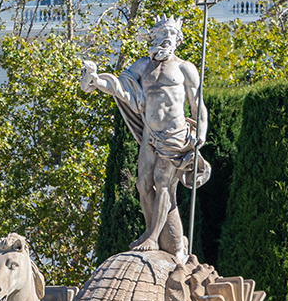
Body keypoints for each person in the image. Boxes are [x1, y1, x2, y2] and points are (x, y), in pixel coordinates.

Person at [80, 17, 209, 256]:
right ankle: (152, 230)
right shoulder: (142, 66)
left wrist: (200, 135)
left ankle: (152, 237)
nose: (167, 38)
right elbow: (120, 87)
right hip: (150, 133)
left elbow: (197, 105)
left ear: (178, 40)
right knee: (142, 184)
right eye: (162, 33)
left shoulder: (185, 68)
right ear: (154, 37)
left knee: (162, 182)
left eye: (171, 34)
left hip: (175, 134)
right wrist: (96, 80)